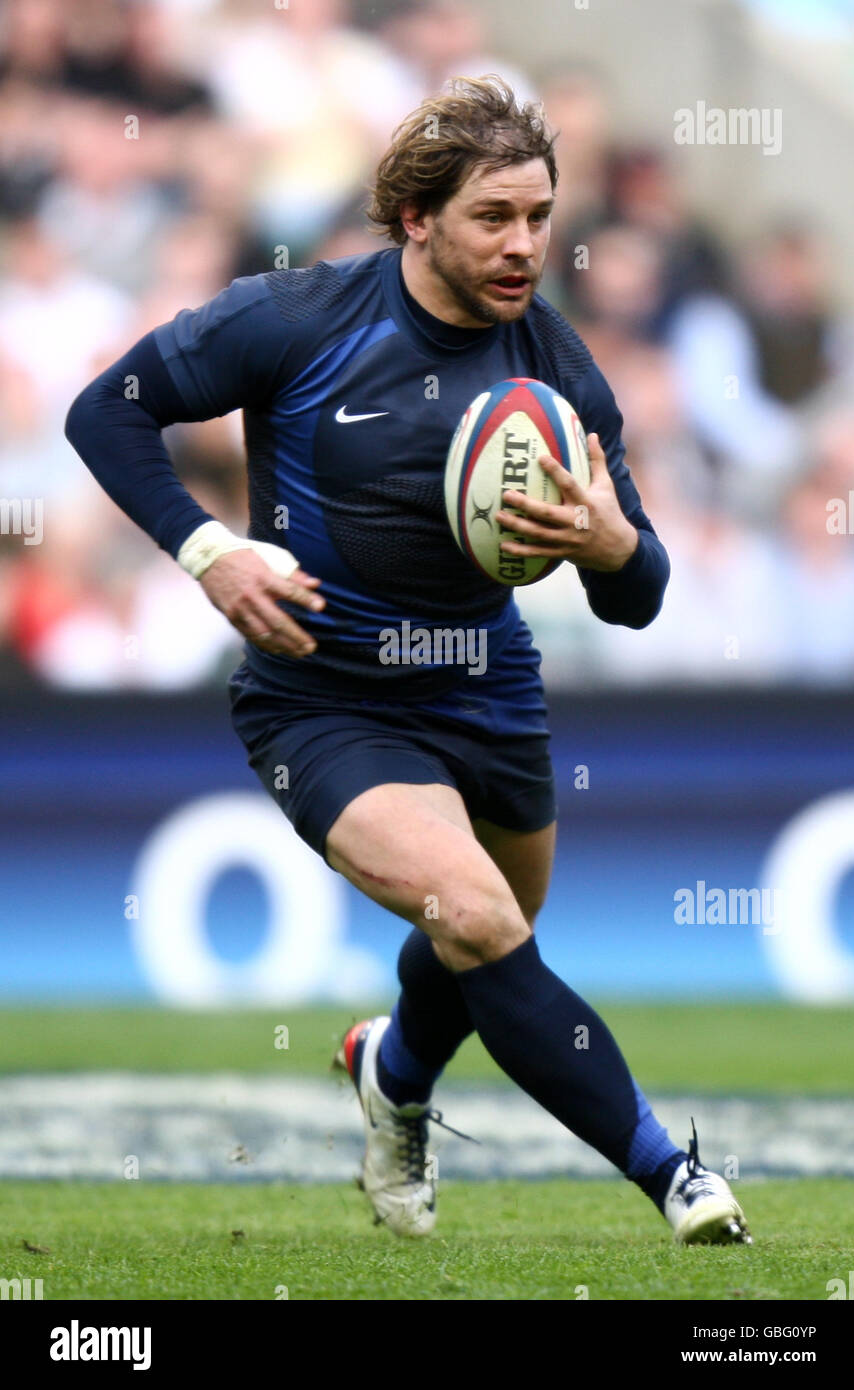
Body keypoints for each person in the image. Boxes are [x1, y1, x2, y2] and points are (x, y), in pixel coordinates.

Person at [65, 75, 750, 1246]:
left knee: (478, 933)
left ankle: (392, 1074)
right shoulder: (294, 317)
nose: (524, 244)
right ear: (416, 218)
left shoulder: (556, 372)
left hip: (489, 689)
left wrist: (611, 540)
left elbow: (636, 599)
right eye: (494, 217)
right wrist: (209, 549)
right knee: (482, 920)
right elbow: (105, 410)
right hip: (320, 698)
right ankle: (670, 1172)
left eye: (539, 216)